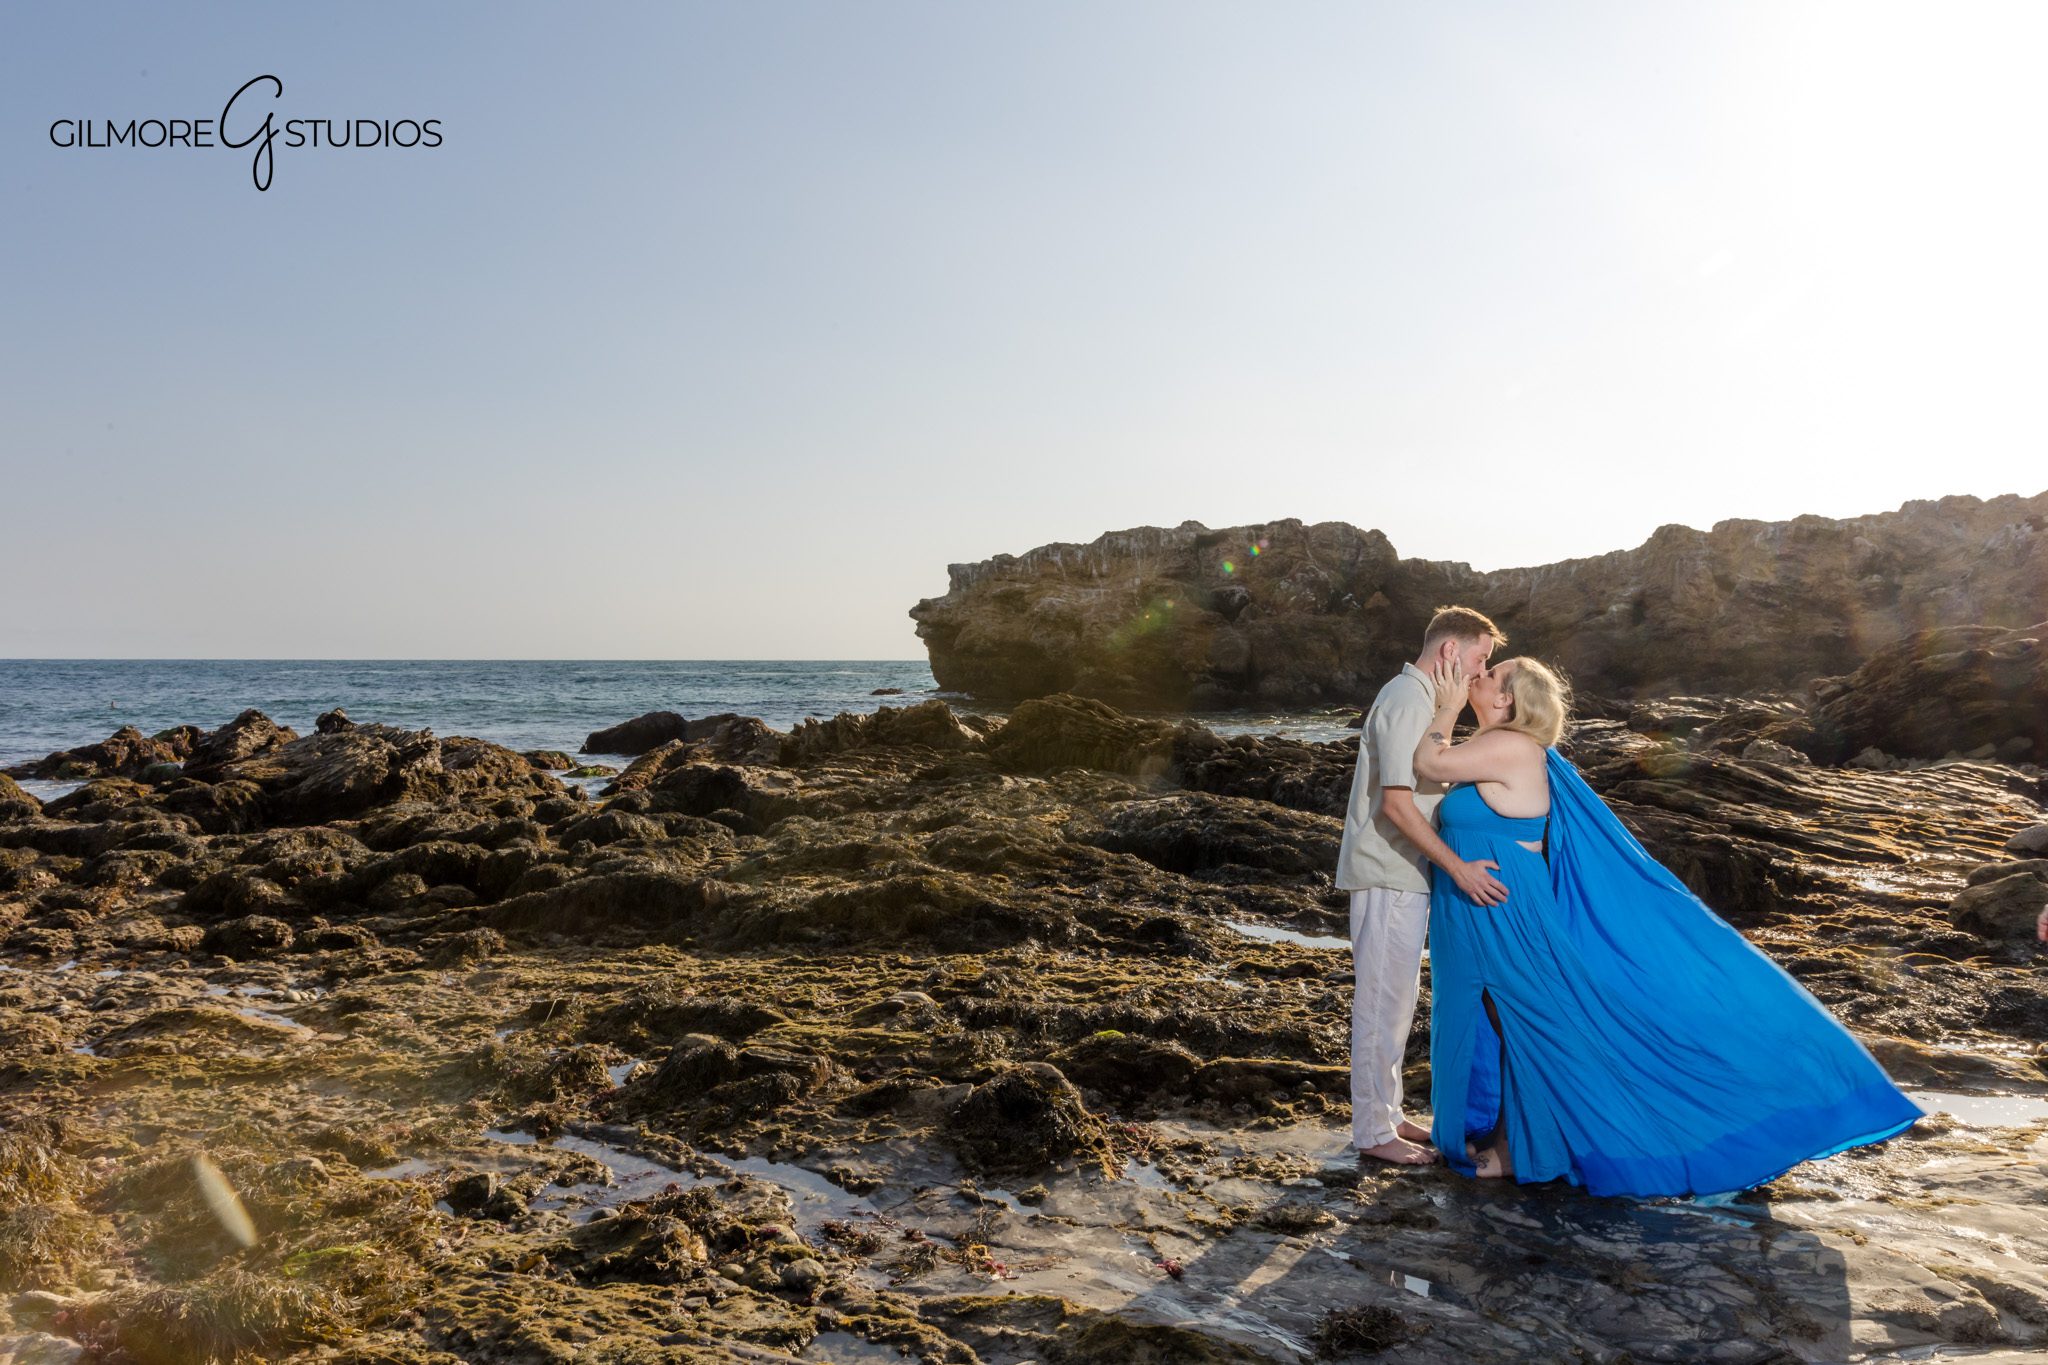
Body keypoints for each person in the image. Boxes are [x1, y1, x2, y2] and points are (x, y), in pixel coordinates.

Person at [1411, 654, 1925, 1196]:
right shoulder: (1500, 746)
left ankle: (1530, 1148)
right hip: (1483, 905)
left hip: (1505, 909)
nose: (1481, 674)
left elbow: (1431, 765)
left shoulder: (1510, 745)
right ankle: (1516, 1142)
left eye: (1494, 673)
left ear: (1507, 698)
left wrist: (1442, 709)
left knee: (1535, 1022)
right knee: (1507, 1021)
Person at [1334, 606, 1511, 1166]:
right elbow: (1396, 803)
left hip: (1403, 873)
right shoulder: (1408, 699)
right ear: (1450, 653)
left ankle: (1387, 1115)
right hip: (1388, 871)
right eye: (1480, 658)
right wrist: (1458, 870)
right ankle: (1371, 1133)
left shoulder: (1422, 702)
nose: (1482, 671)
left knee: (1398, 1000)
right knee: (1382, 1006)